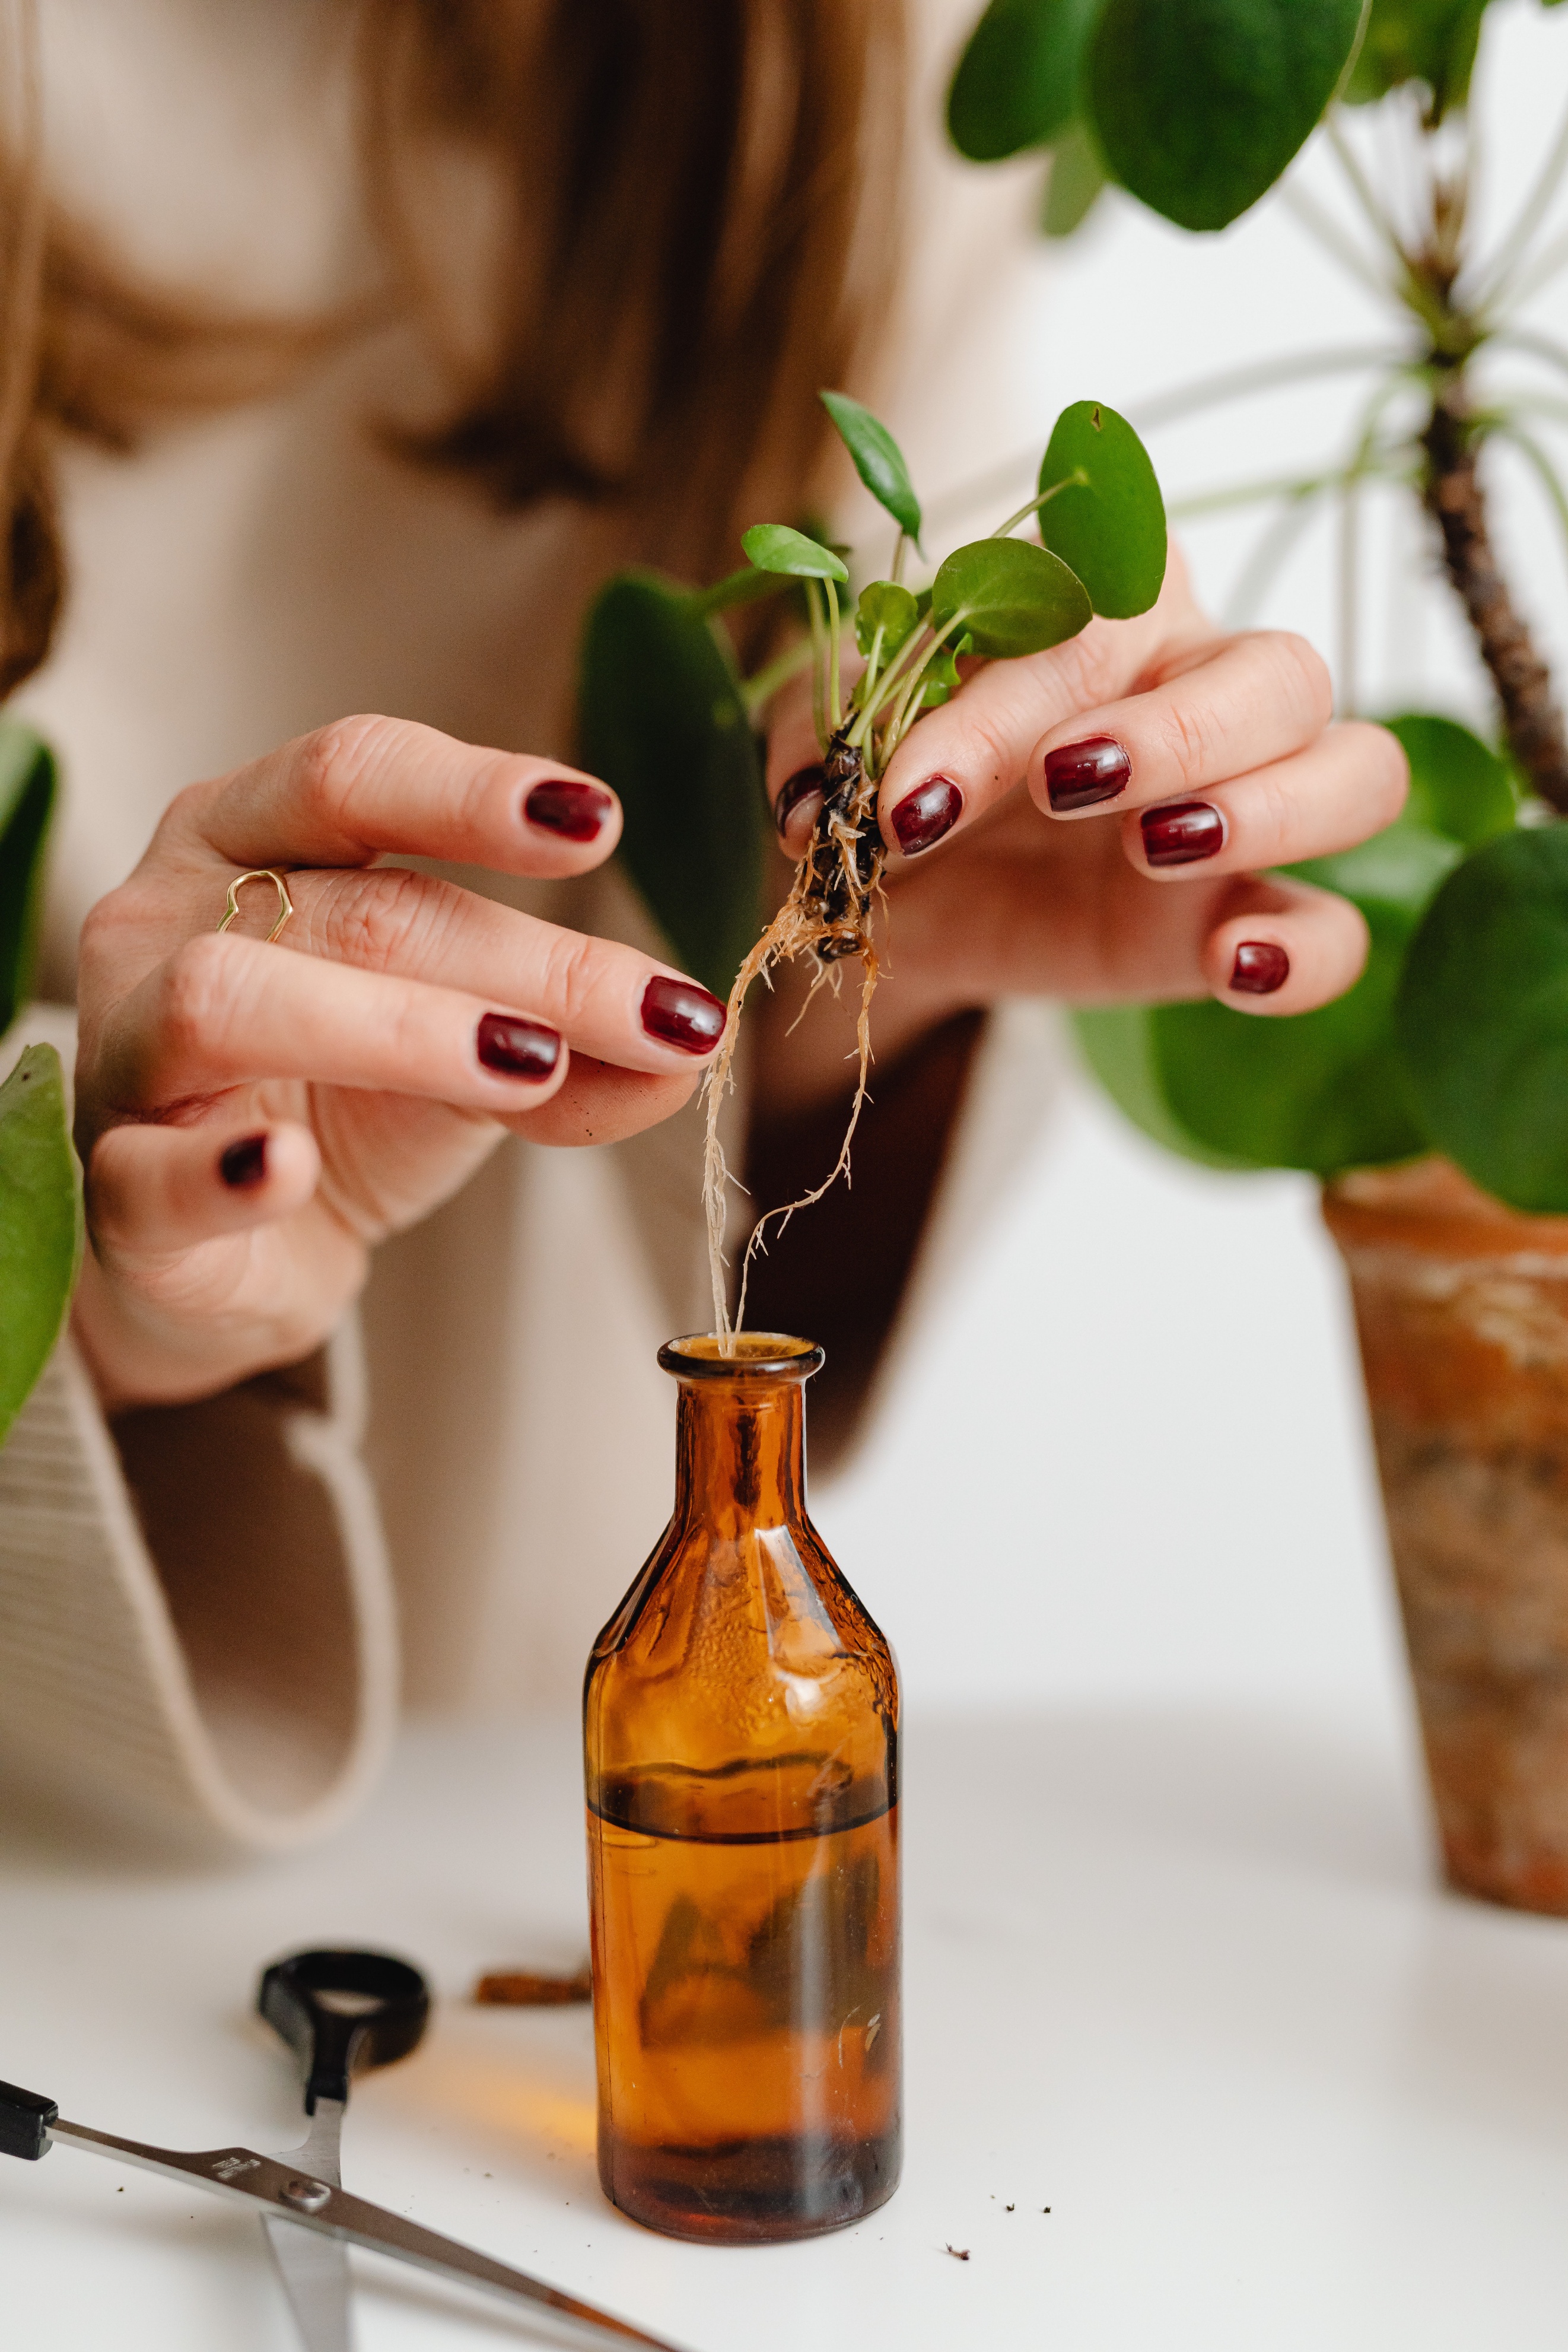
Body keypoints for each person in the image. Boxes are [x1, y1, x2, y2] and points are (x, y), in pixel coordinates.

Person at [0, 0, 1403, 1852]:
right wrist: (82, 1284)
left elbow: (752, 1175)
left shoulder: (832, 75)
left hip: (493, 1790)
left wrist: (849, 964)